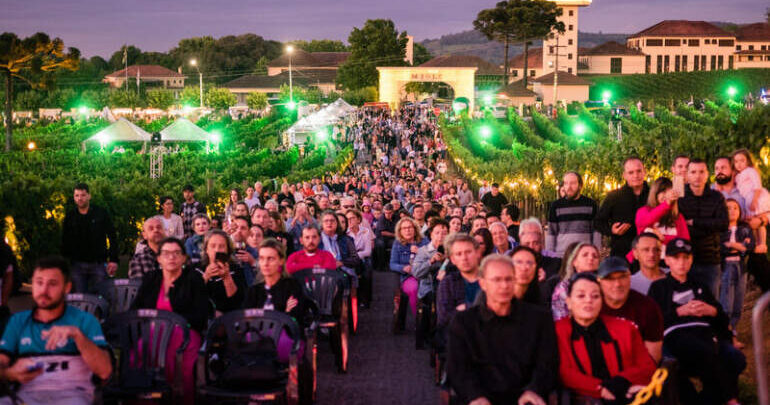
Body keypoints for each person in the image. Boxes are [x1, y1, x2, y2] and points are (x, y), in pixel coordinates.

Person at [447, 254, 558, 405]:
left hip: (525, 398)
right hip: (480, 398)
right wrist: (475, 396)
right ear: (482, 283)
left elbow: (547, 363)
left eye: (509, 279)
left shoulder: (539, 318)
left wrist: (534, 390)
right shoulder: (464, 322)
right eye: (497, 280)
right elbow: (458, 368)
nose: (504, 286)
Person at [0, 256, 111, 405]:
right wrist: (9, 373)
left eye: (52, 284)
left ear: (67, 288)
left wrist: (78, 337)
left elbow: (105, 371)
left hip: (72, 395)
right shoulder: (18, 321)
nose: (44, 290)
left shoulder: (85, 321)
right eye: (39, 282)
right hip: (26, 396)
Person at [648, 238, 746, 405]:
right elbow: (652, 322)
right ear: (667, 260)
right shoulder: (659, 288)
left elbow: (721, 319)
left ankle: (708, 400)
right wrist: (678, 312)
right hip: (676, 337)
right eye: (676, 258)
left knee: (734, 357)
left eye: (686, 258)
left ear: (692, 259)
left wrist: (712, 311)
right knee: (703, 351)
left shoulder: (700, 285)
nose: (682, 263)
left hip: (705, 334)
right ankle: (731, 399)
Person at [556, 272, 656, 402]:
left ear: (602, 301)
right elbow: (563, 372)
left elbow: (647, 366)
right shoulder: (558, 331)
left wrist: (622, 382)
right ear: (569, 302)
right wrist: (601, 389)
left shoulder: (626, 328)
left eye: (595, 296)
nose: (589, 300)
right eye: (581, 296)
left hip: (627, 394)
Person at [131, 238, 208, 402]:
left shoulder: (193, 279)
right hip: (153, 331)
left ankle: (180, 396)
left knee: (179, 355)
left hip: (186, 331)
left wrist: (175, 322)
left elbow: (201, 315)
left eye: (176, 253)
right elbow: (136, 309)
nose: (171, 257)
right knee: (139, 351)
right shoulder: (151, 278)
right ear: (159, 258)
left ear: (184, 258)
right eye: (166, 253)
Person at [597, 256, 664, 363]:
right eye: (610, 279)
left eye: (622, 277)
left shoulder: (647, 307)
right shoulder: (592, 306)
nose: (617, 284)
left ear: (630, 278)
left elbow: (653, 357)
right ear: (599, 282)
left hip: (636, 367)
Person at [677, 159, 728, 296]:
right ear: (687, 175)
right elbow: (678, 226)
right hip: (685, 260)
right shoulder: (680, 198)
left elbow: (723, 224)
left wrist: (694, 222)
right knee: (686, 301)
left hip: (710, 260)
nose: (697, 176)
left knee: (711, 302)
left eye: (701, 172)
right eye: (693, 172)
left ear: (707, 174)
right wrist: (710, 225)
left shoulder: (717, 197)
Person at [61, 183, 118, 293]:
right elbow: (65, 241)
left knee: (100, 297)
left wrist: (113, 259)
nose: (80, 198)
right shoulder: (70, 216)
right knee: (80, 297)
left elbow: (112, 236)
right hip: (76, 265)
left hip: (98, 263)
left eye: (83, 195)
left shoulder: (101, 213)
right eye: (77, 195)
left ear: (89, 196)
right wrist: (65, 263)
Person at [595, 157, 650, 257]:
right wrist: (611, 230)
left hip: (650, 253)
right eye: (631, 172)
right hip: (622, 253)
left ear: (644, 172)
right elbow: (598, 222)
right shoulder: (614, 196)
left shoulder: (654, 195)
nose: (636, 175)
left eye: (639, 171)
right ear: (624, 175)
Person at [720, 198, 754, 347]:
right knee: (726, 304)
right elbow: (720, 247)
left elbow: (750, 247)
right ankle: (726, 338)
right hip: (726, 266)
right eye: (728, 208)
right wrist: (740, 246)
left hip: (741, 267)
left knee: (738, 305)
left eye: (735, 208)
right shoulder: (720, 229)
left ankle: (732, 333)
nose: (732, 211)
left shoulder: (745, 228)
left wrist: (733, 245)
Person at [632, 177, 690, 262]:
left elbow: (684, 242)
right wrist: (667, 204)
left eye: (669, 192)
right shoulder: (643, 211)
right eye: (663, 192)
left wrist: (662, 239)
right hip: (647, 263)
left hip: (670, 263)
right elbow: (646, 220)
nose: (667, 195)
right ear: (655, 193)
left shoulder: (677, 217)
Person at [546, 172, 601, 257]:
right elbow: (551, 233)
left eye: (572, 183)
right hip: (562, 255)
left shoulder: (591, 204)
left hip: (584, 255)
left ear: (580, 185)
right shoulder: (556, 206)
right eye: (566, 183)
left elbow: (596, 232)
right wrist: (550, 256)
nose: (569, 187)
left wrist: (596, 254)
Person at [436, 233, 480, 334]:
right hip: (458, 337)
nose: (464, 257)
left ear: (477, 253)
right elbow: (444, 319)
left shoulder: (490, 278)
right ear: (453, 259)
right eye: (459, 254)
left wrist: (464, 308)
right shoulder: (448, 283)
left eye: (468, 252)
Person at [196, 229, 246, 313]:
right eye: (213, 246)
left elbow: (238, 302)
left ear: (227, 250)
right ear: (206, 249)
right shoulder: (197, 269)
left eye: (221, 246)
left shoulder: (236, 270)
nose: (217, 250)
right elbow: (192, 297)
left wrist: (227, 277)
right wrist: (205, 277)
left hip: (228, 316)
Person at [390, 217, 428, 320]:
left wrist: (419, 251)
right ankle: (418, 319)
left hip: (424, 274)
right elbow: (392, 264)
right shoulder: (397, 244)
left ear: (415, 229)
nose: (407, 230)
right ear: (400, 231)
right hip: (408, 276)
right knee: (414, 289)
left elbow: (431, 257)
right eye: (404, 228)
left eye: (410, 227)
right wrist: (403, 268)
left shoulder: (424, 241)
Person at [732, 148, 770, 251]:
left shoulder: (750, 171)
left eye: (742, 160)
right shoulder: (738, 175)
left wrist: (754, 200)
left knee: (759, 221)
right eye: (736, 161)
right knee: (752, 223)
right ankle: (756, 244)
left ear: (748, 161)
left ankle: (762, 243)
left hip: (756, 197)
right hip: (747, 200)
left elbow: (758, 186)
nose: (739, 164)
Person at [550, 243, 600, 320]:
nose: (591, 258)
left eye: (595, 256)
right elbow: (559, 317)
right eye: (585, 255)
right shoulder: (564, 287)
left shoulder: (604, 285)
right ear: (574, 262)